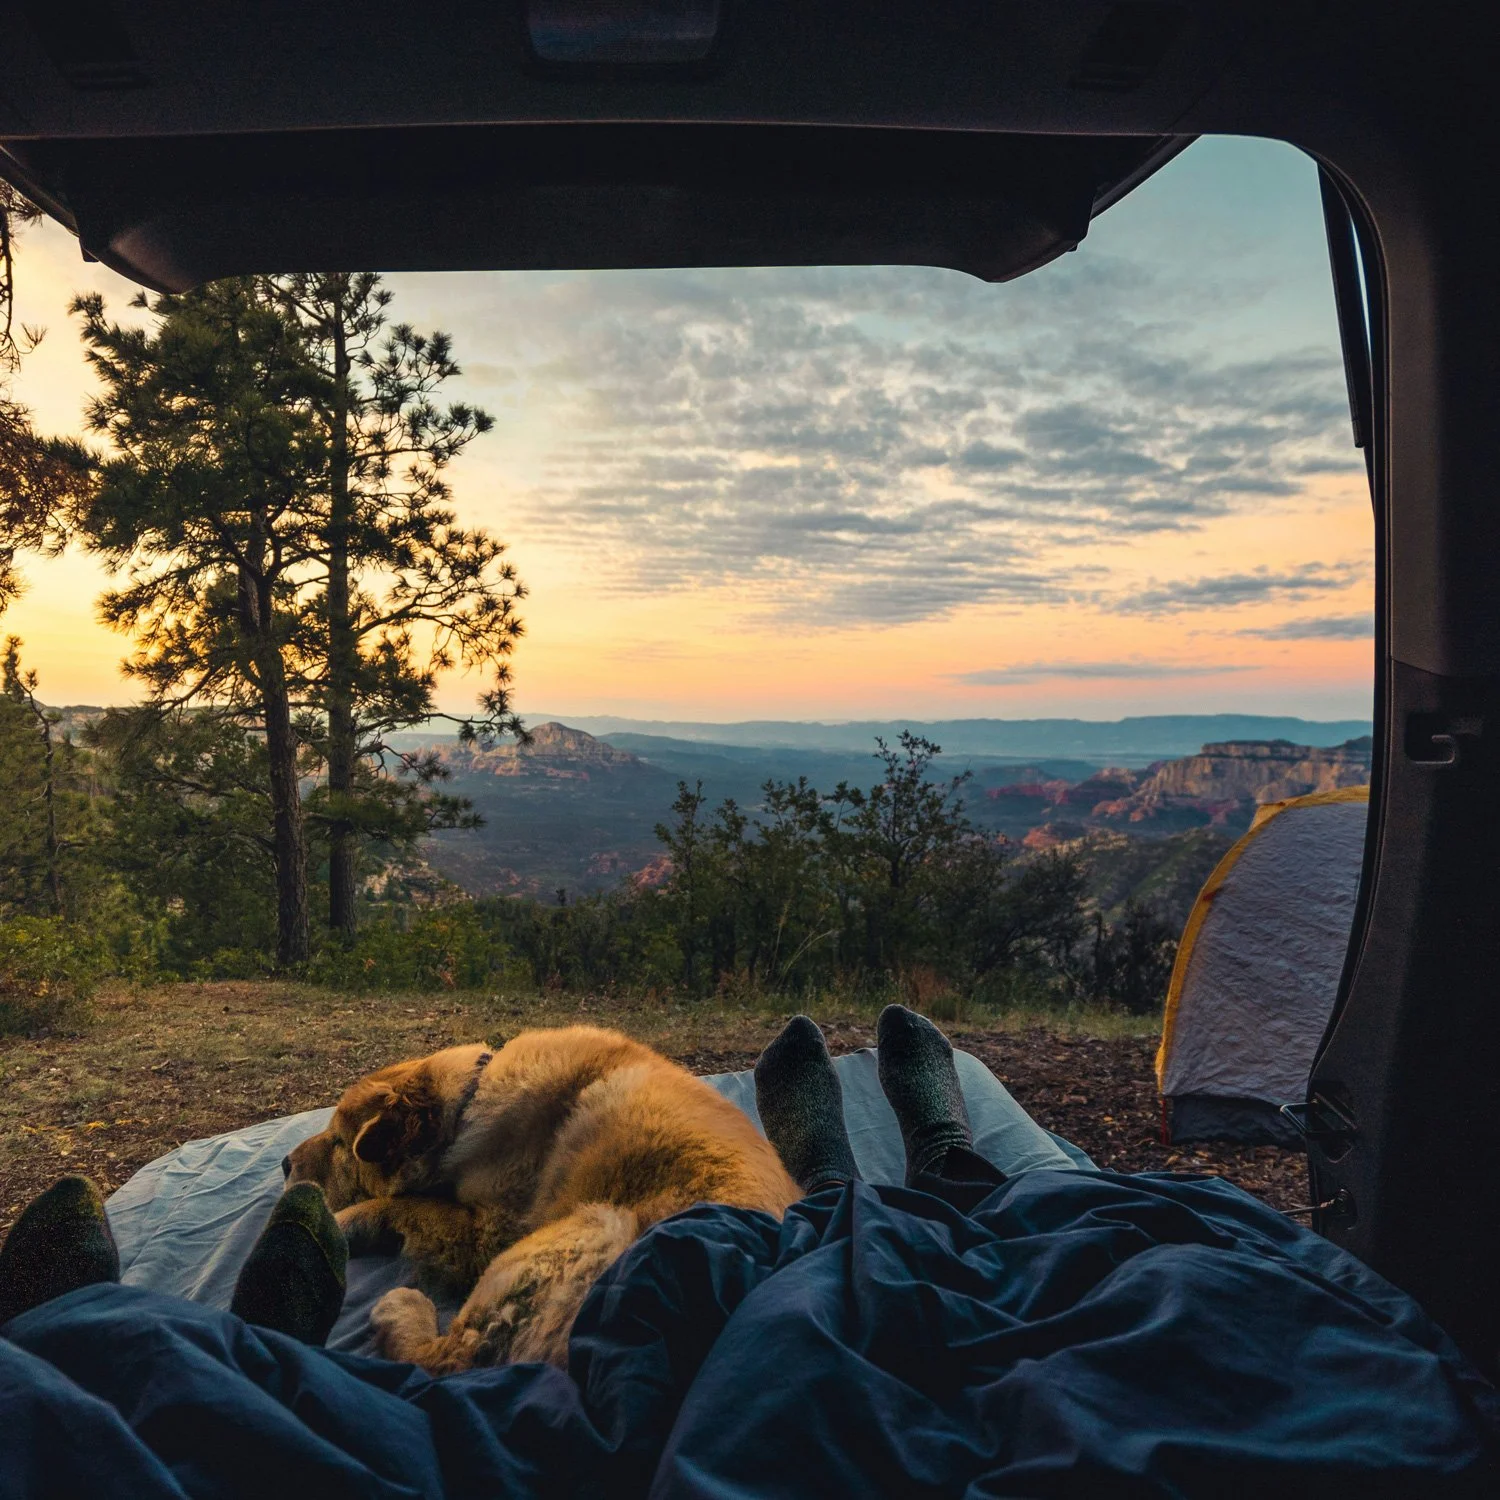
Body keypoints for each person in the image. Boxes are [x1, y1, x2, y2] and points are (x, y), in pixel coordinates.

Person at [2, 1007, 1497, 1499]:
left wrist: (376, 1203)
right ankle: (893, 1169)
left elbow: (508, 1236)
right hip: (742, 1265)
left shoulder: (473, 1123)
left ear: (396, 1124)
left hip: (666, 1267)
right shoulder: (528, 1086)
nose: (330, 1163)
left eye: (338, 1160)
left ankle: (113, 1323)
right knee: (980, 1230)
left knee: (98, 1357)